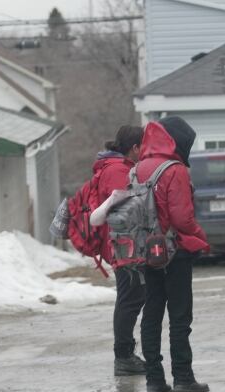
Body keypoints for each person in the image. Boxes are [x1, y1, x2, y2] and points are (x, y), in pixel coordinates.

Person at [134, 116, 211, 392]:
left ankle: (154, 380)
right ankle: (183, 377)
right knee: (179, 315)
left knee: (151, 314)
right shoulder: (174, 169)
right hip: (172, 251)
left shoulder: (139, 167)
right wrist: (199, 235)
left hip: (144, 251)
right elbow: (181, 218)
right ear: (178, 141)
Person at [94, 125, 147, 376]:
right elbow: (124, 211)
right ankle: (124, 357)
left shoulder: (115, 167)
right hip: (124, 246)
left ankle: (125, 355)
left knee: (131, 298)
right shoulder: (118, 171)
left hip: (122, 245)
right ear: (135, 148)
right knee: (130, 299)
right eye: (143, 147)